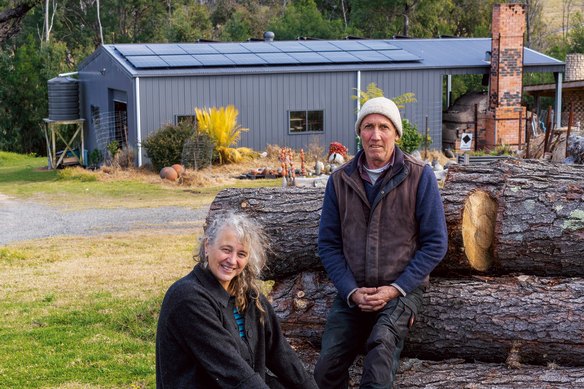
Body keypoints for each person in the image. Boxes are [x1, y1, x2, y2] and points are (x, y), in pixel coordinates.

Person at [314, 96, 448, 388]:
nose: (376, 135)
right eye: (368, 126)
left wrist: (394, 289)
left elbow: (436, 243)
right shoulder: (339, 181)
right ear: (359, 132)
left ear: (396, 134)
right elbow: (328, 244)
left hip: (400, 292)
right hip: (353, 294)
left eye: (384, 127)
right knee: (325, 368)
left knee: (379, 355)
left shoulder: (418, 176)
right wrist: (351, 291)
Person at [156, 211, 317, 388]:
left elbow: (282, 356)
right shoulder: (188, 298)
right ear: (207, 246)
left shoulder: (250, 297)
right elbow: (233, 371)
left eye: (241, 254)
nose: (232, 260)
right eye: (226, 249)